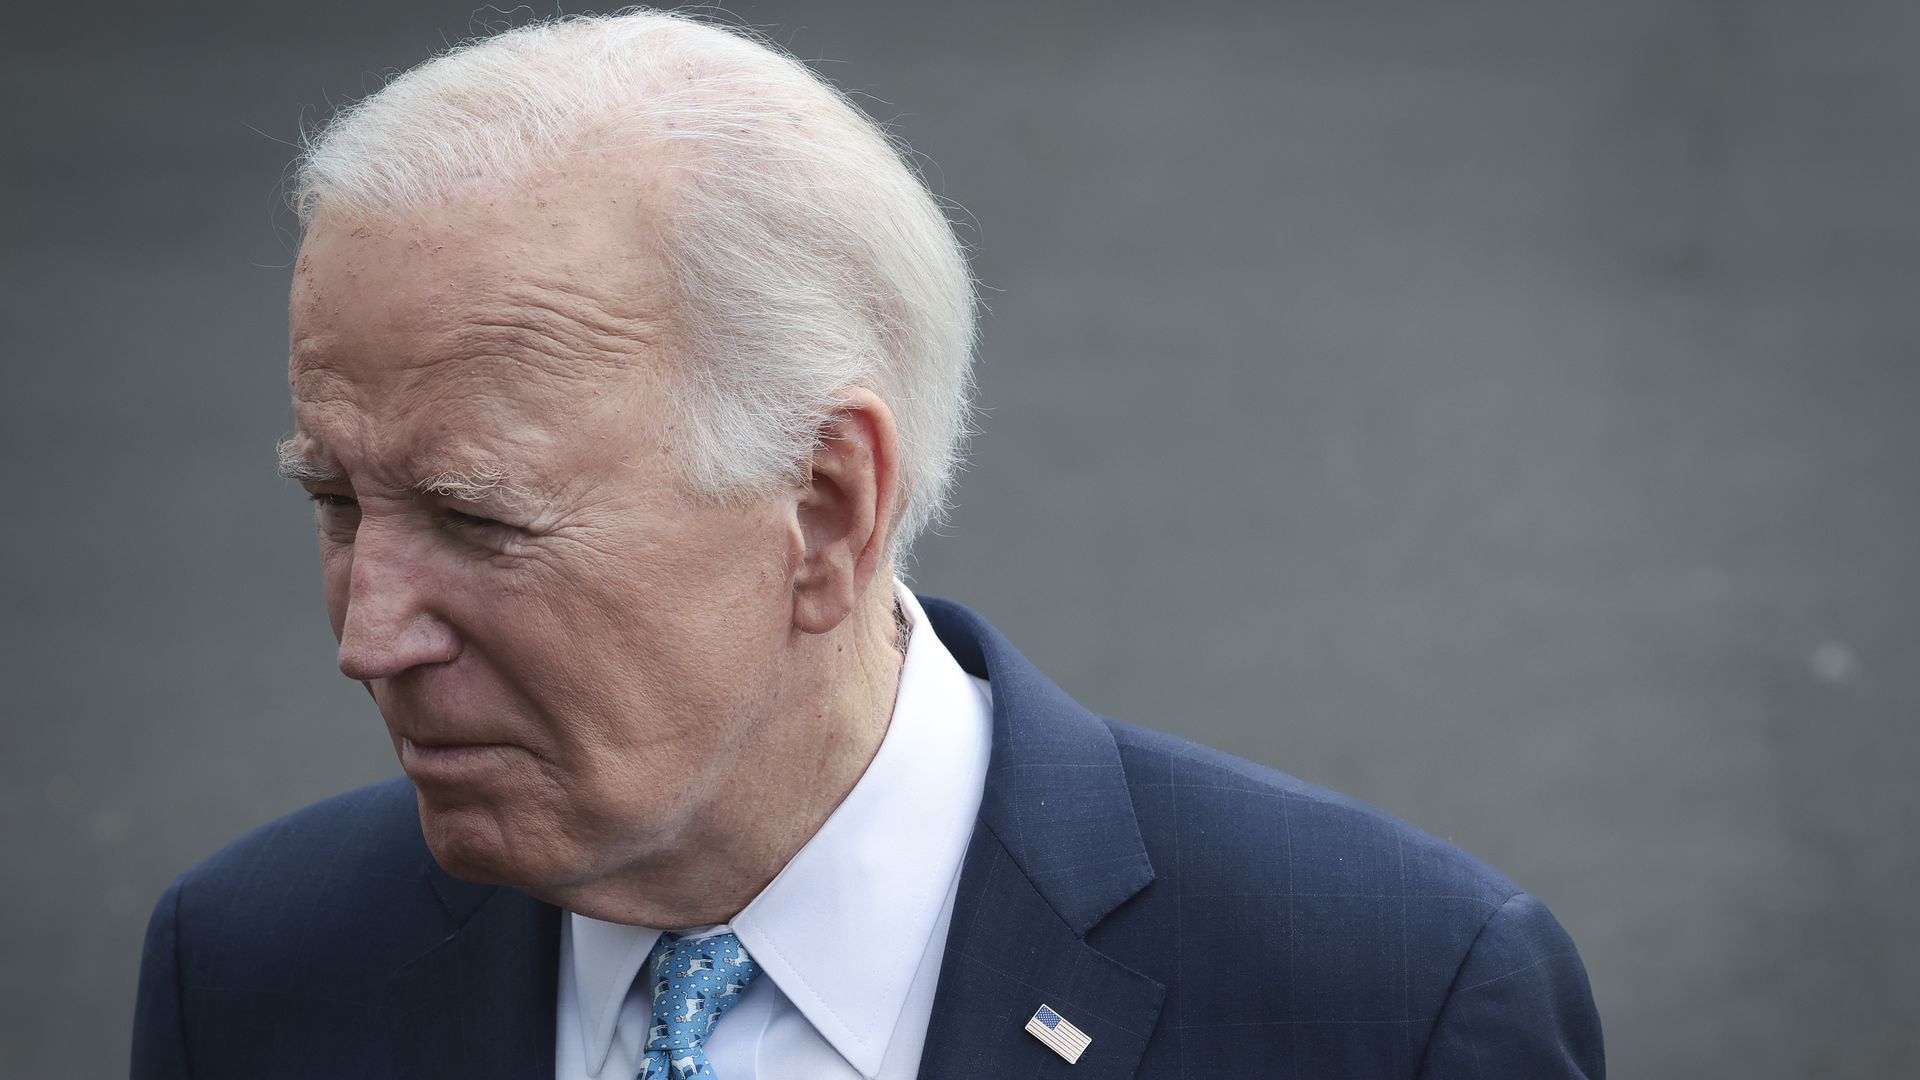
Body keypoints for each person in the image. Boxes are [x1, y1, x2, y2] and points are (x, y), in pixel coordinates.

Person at [131, 11, 1603, 1079]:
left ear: (826, 507)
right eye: (337, 503)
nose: (367, 633)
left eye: (477, 520)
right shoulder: (252, 972)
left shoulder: (1389, 1006)